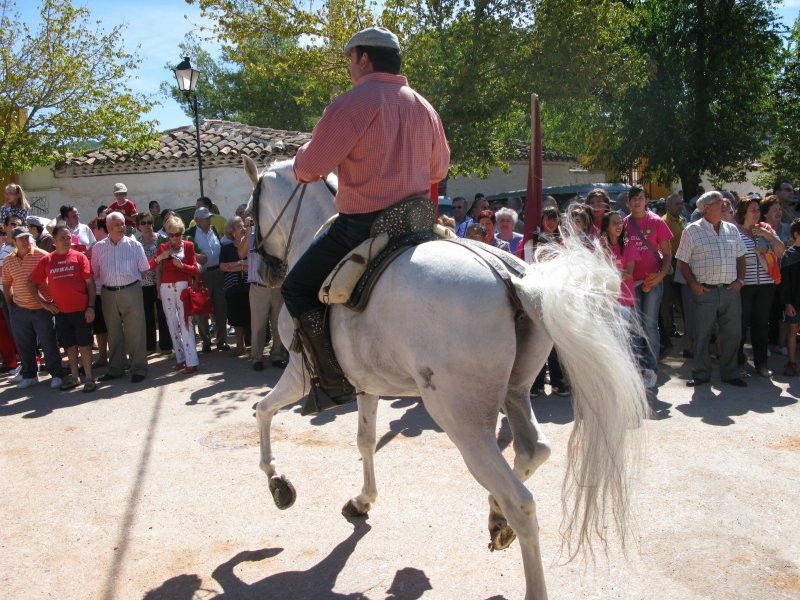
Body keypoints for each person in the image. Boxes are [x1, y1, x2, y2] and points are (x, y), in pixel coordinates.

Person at [283, 26, 449, 414]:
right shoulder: (424, 106)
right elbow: (438, 169)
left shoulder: (352, 104)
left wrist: (306, 150)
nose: (349, 68)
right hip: (418, 224)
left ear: (364, 58)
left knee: (295, 287)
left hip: (363, 226)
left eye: (350, 60)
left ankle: (332, 380)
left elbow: (308, 169)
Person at [676, 191, 747, 387]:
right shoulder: (691, 231)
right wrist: (693, 285)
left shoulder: (732, 229)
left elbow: (741, 257)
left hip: (730, 292)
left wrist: (740, 280)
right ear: (706, 208)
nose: (725, 205)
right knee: (702, 334)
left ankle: (730, 373)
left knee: (732, 334)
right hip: (704, 292)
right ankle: (701, 373)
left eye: (725, 202)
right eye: (719, 202)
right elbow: (682, 261)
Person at [28, 225, 97, 392]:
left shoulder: (79, 257)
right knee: (70, 346)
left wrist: (91, 307)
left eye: (68, 238)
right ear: (54, 241)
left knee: (85, 345)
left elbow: (90, 285)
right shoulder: (47, 260)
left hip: (81, 311)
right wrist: (44, 303)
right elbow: (31, 282)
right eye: (62, 238)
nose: (66, 241)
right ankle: (75, 377)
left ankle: (89, 378)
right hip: (61, 313)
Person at [90, 212, 150, 383]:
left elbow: (144, 269)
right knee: (113, 331)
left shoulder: (134, 245)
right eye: (116, 224)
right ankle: (115, 368)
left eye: (122, 224)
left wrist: (130, 281)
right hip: (108, 293)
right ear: (108, 227)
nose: (121, 227)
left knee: (135, 331)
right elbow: (95, 271)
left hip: (131, 290)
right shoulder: (98, 248)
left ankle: (138, 368)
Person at [2, 226, 64, 389]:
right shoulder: (8, 260)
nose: (25, 241)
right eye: (21, 238)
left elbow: (54, 280)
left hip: (43, 308)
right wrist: (12, 306)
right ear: (13, 241)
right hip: (19, 308)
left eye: (27, 237)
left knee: (48, 342)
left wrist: (51, 302)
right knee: (24, 344)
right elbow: (7, 284)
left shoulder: (42, 256)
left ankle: (56, 374)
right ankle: (29, 375)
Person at [624, 184, 673, 389]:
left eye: (641, 198)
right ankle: (636, 368)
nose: (637, 202)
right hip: (630, 282)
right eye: (634, 198)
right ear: (628, 201)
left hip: (652, 281)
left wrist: (661, 275)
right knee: (634, 327)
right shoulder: (623, 224)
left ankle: (651, 368)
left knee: (650, 325)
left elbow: (668, 254)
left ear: (646, 200)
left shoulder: (657, 222)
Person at [734, 197, 785, 378]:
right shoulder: (735, 231)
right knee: (740, 325)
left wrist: (768, 236)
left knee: (761, 325)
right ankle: (739, 363)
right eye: (752, 210)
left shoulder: (766, 229)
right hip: (744, 286)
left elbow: (781, 251)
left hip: (766, 285)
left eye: (757, 210)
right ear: (743, 212)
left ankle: (761, 364)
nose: (757, 213)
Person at [150, 216, 200, 374]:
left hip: (183, 287)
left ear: (182, 233)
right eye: (171, 235)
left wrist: (182, 265)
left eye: (177, 234)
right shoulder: (163, 247)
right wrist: (160, 257)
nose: (175, 238)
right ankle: (180, 358)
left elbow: (195, 270)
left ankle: (191, 361)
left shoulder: (189, 246)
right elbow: (150, 265)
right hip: (167, 288)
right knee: (172, 323)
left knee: (186, 323)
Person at [240, 215, 288, 370]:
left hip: (277, 287)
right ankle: (257, 357)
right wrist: (247, 232)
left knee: (278, 324)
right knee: (258, 325)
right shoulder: (250, 235)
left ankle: (277, 355)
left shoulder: (277, 234)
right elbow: (241, 254)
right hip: (258, 287)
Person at [186, 206, 229, 352]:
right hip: (201, 276)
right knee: (202, 309)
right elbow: (185, 253)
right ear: (197, 220)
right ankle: (206, 341)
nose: (209, 220)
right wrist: (196, 257)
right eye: (206, 218)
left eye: (209, 217)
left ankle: (221, 340)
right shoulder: (189, 235)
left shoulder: (214, 230)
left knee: (221, 309)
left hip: (218, 273)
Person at [136, 212, 171, 355]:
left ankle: (166, 345)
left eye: (149, 222)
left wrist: (159, 283)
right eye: (143, 223)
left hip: (161, 282)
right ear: (138, 226)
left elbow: (163, 262)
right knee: (147, 316)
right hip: (144, 284)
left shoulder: (162, 239)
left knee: (163, 314)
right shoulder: (136, 243)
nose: (147, 226)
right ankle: (149, 346)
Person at [219, 217, 251, 356]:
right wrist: (242, 265)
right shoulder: (226, 248)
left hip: (250, 285)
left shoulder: (251, 246)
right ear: (232, 232)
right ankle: (240, 345)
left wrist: (235, 265)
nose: (244, 229)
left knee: (251, 315)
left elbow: (251, 267)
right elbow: (223, 267)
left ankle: (253, 344)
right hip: (233, 288)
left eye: (244, 226)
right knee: (237, 318)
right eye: (240, 227)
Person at [601, 212, 639, 320]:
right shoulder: (599, 247)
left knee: (621, 335)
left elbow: (628, 274)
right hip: (605, 299)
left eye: (620, 222)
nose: (619, 225)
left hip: (623, 298)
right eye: (614, 223)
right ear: (606, 227)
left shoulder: (629, 245)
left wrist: (606, 273)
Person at [661, 193, 686, 347]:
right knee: (668, 298)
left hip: (682, 262)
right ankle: (669, 328)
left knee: (681, 296)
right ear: (669, 206)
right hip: (670, 262)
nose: (680, 206)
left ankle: (686, 327)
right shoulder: (664, 222)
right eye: (676, 204)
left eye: (681, 203)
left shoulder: (682, 220)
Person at [779, 219, 800, 376]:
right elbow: (784, 283)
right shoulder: (789, 255)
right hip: (794, 301)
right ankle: (792, 363)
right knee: (792, 331)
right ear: (796, 234)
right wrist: (787, 303)